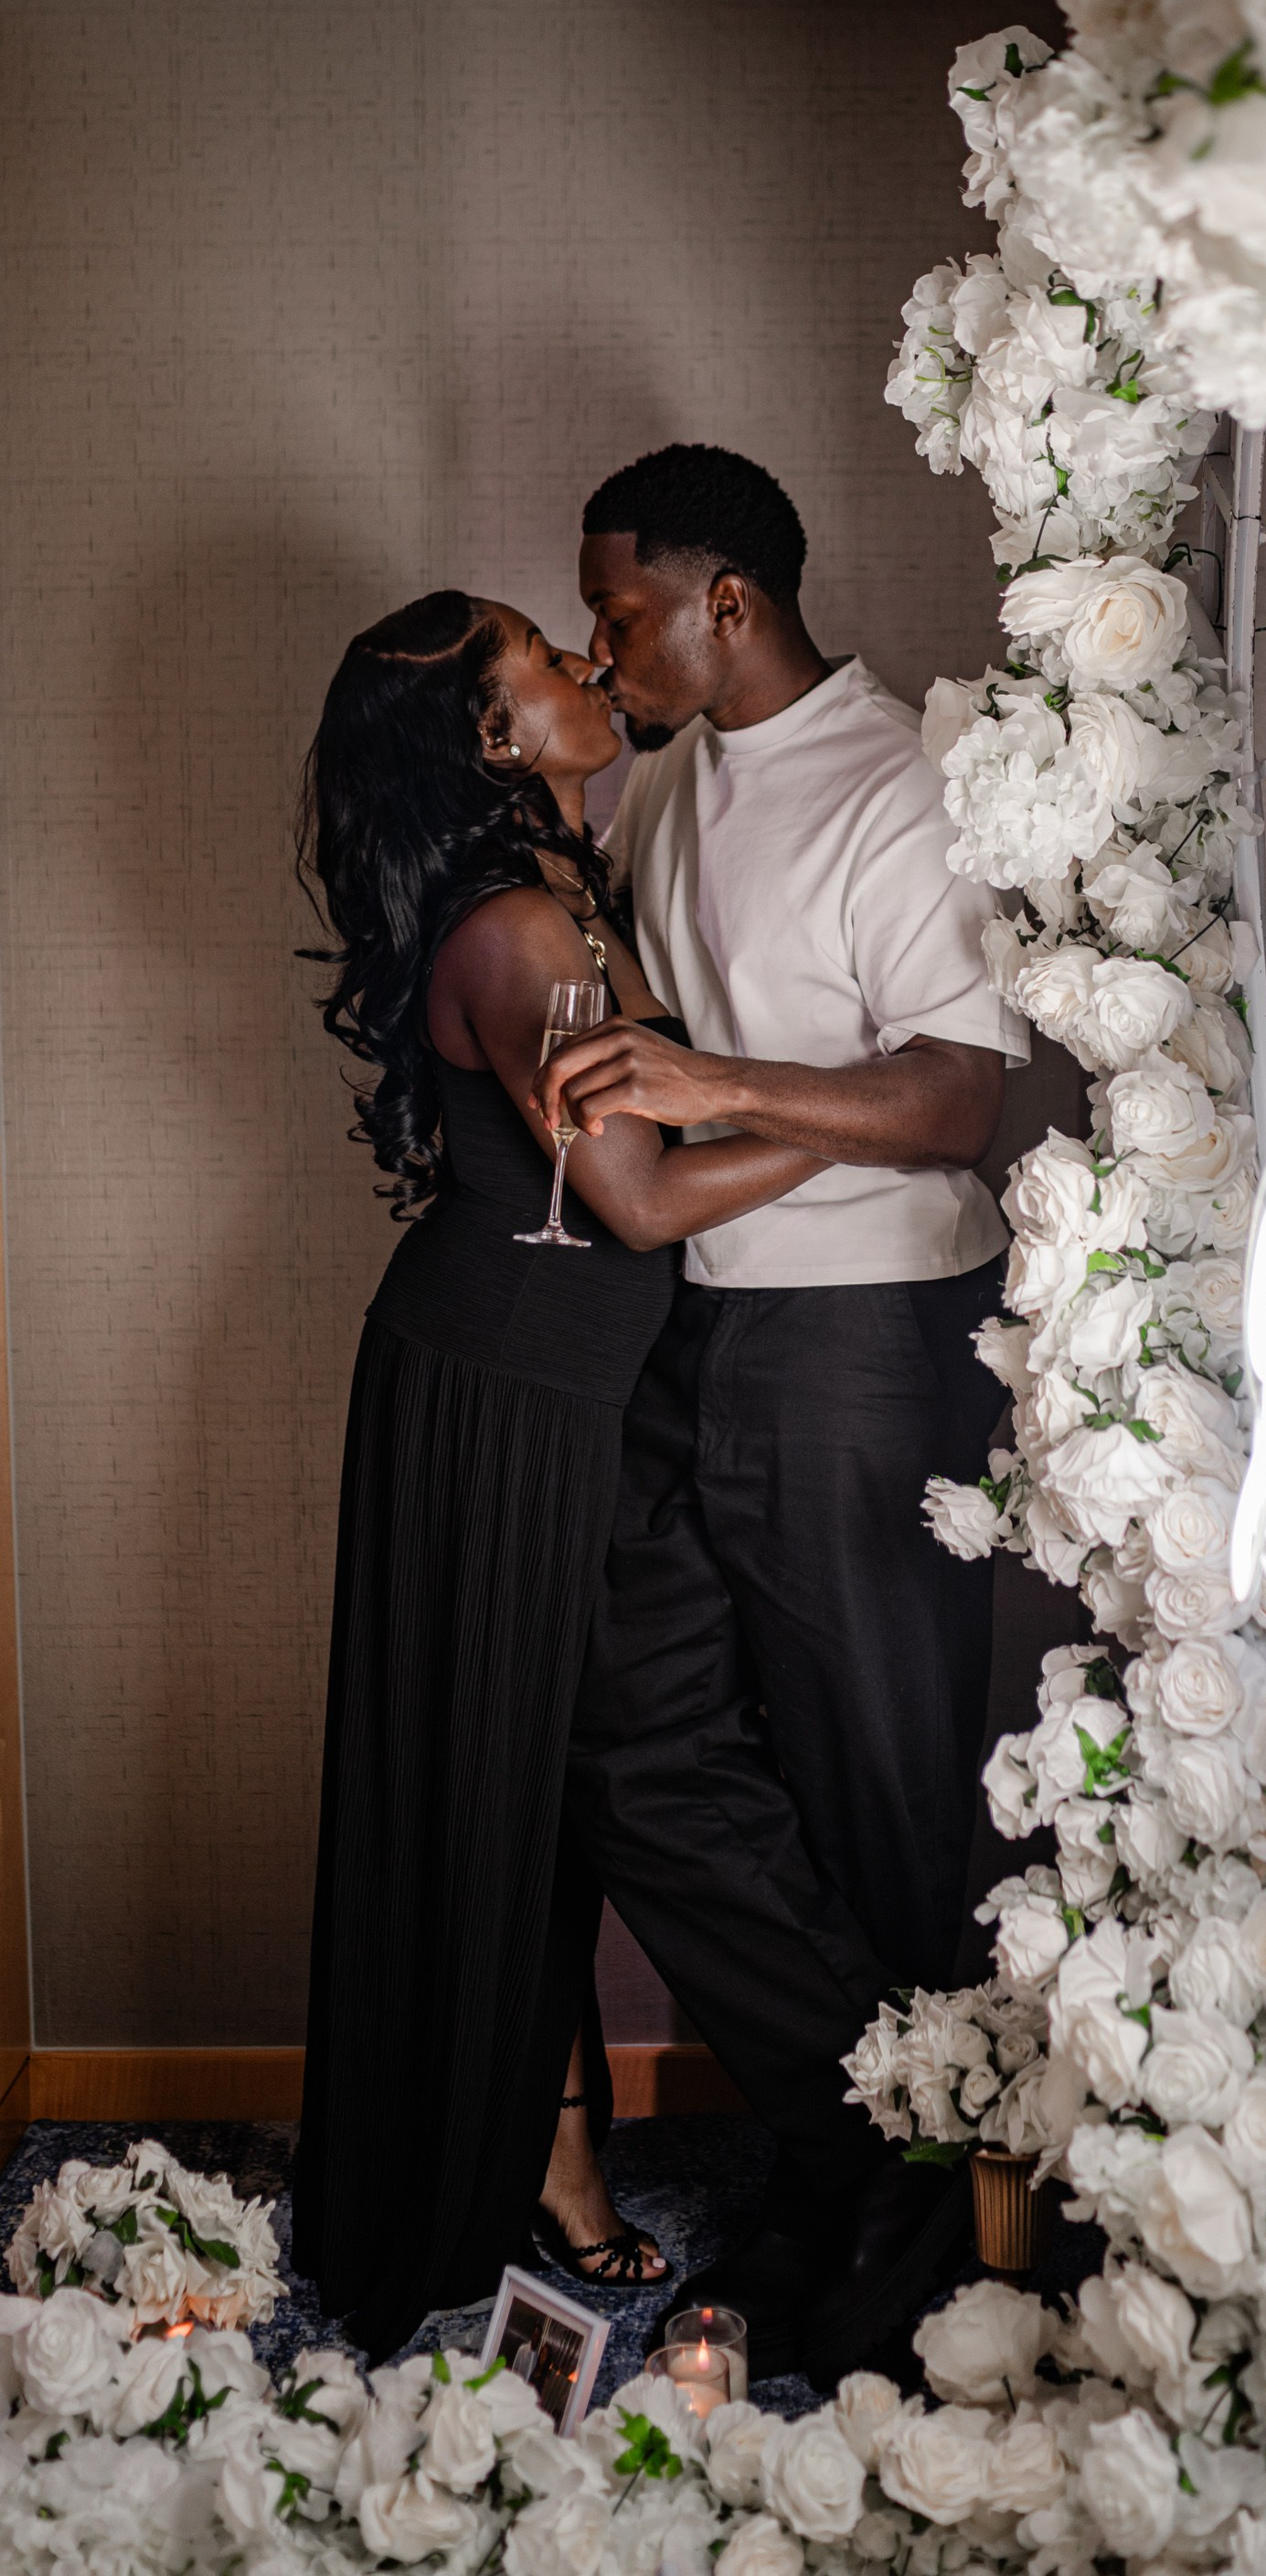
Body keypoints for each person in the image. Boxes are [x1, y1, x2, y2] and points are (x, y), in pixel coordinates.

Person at [534, 444, 1027, 2379]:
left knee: (883, 1799)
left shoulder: (895, 779)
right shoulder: (657, 782)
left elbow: (955, 1095)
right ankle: (859, 2161)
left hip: (869, 1343)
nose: (606, 647)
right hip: (689, 1337)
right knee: (651, 1755)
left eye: (623, 613)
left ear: (726, 599)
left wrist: (712, 1084)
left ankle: (923, 2260)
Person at [291, 588, 824, 2358]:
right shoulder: (522, 924)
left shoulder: (570, 882)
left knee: (542, 1777)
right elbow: (646, 1198)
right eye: (552, 662)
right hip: (507, 1398)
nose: (595, 668)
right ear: (495, 742)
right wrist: (873, 1105)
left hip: (557, 1378)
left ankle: (555, 2163)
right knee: (504, 1785)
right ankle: (536, 2176)